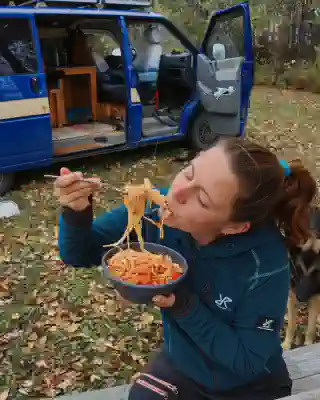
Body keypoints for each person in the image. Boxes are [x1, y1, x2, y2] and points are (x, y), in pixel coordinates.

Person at [54, 138, 317, 400]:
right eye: (189, 172)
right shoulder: (154, 209)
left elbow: (248, 361)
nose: (177, 193)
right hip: (185, 366)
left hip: (251, 386)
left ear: (233, 227)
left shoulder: (266, 263)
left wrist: (181, 304)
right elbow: (80, 253)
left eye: (201, 200)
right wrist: (77, 212)